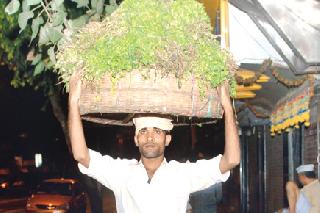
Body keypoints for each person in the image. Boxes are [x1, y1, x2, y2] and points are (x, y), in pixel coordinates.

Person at [68, 71, 240, 213]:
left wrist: (228, 108)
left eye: (157, 131)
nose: (149, 137)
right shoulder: (120, 173)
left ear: (168, 139)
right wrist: (73, 102)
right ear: (136, 139)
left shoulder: (182, 175)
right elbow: (81, 155)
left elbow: (231, 160)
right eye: (143, 131)